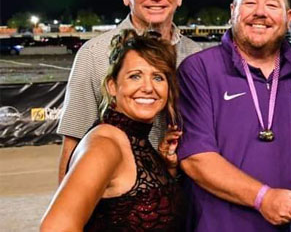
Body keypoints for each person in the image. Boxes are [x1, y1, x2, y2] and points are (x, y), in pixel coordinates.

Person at [177, 0, 291, 231]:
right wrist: (263, 198)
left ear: (288, 18)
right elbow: (196, 158)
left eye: (272, 5)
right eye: (250, 3)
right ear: (233, 11)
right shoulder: (199, 69)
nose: (260, 12)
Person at [57, 0, 201, 182]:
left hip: (184, 195)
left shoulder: (195, 55)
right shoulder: (94, 54)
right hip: (120, 204)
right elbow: (73, 144)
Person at [41, 30, 184, 231]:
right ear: (112, 86)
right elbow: (55, 228)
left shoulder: (137, 141)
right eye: (135, 76)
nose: (148, 87)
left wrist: (166, 168)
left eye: (158, 77)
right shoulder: (104, 144)